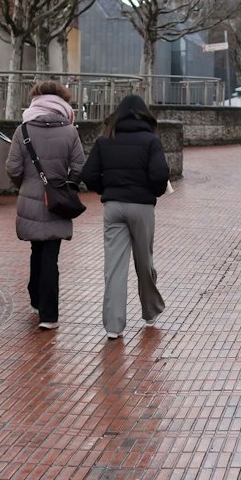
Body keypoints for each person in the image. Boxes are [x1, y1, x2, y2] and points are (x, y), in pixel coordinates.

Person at [79, 93, 170, 339]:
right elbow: (160, 174)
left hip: (114, 206)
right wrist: (153, 192)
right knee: (144, 261)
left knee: (114, 267)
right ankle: (150, 312)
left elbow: (88, 174)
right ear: (144, 116)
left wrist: (106, 190)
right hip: (141, 207)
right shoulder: (151, 140)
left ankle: (113, 326)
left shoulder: (104, 140)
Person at [6, 80, 85, 329]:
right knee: (51, 254)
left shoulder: (23, 130)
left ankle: (36, 299)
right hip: (57, 200)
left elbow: (13, 167)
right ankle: (49, 316)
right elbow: (79, 167)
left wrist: (25, 185)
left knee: (36, 249)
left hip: (29, 198)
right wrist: (67, 186)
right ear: (63, 102)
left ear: (36, 100)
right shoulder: (70, 131)